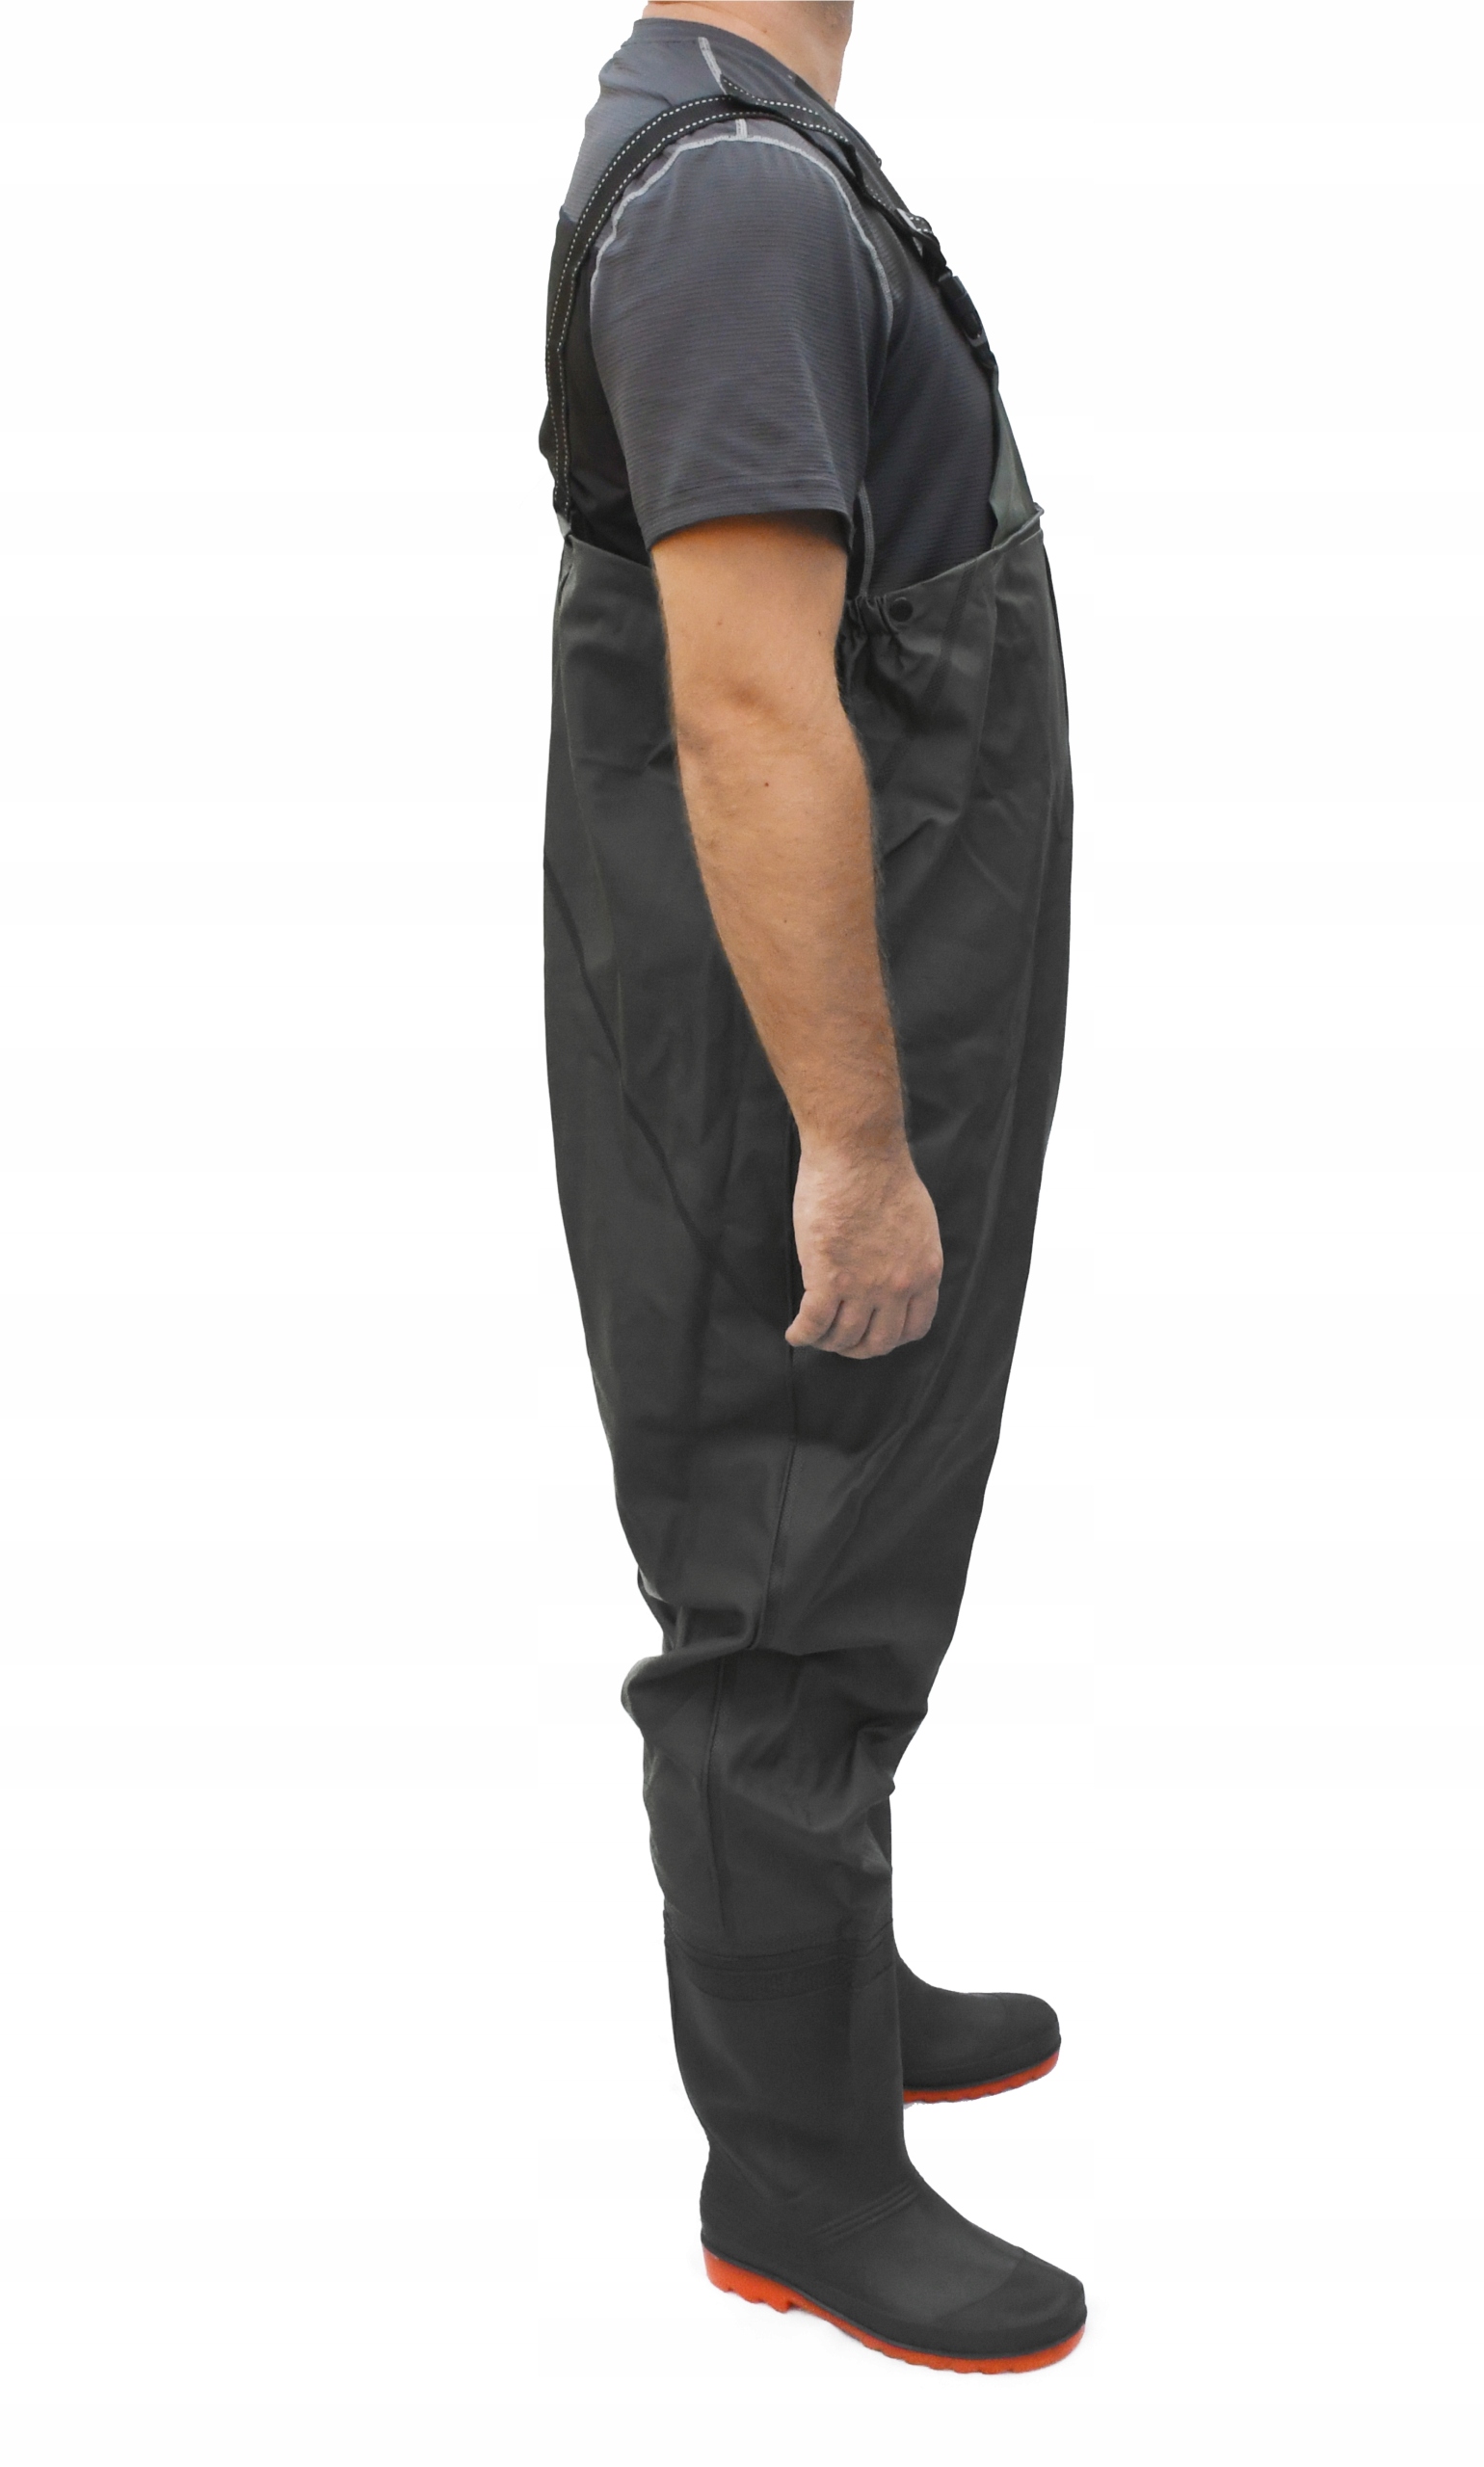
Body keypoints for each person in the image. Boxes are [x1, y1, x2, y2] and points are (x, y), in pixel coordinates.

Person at [539, 2, 1084, 2374]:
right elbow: (751, 698)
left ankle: (823, 1981)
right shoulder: (738, 199)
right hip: (794, 1048)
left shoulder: (752, 154)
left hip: (863, 990)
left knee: (854, 1509)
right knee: (781, 1546)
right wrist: (852, 1145)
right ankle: (789, 2167)